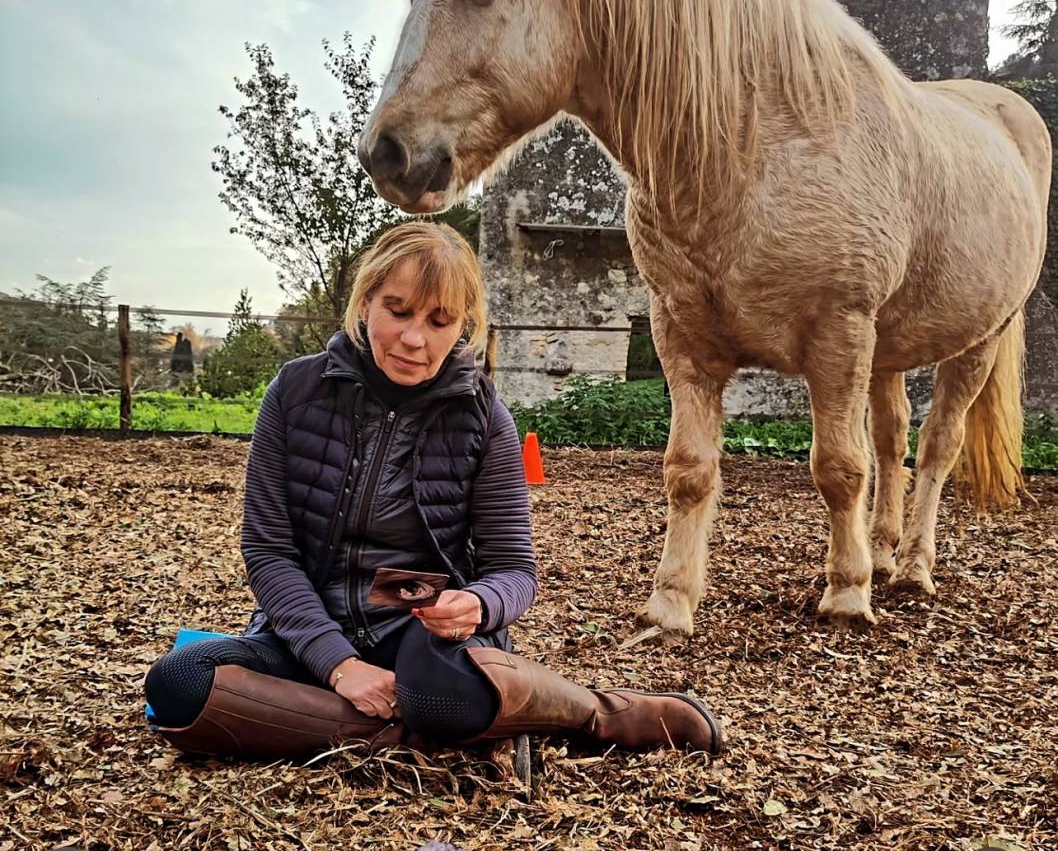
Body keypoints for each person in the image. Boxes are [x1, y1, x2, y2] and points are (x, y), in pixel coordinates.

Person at [144, 222, 723, 760]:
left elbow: (515, 570)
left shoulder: (483, 416)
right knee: (177, 683)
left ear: (463, 325)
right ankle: (427, 729)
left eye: (440, 321)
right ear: (365, 301)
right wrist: (339, 664)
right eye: (397, 311)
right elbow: (270, 551)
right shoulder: (295, 392)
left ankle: (597, 714)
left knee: (442, 691)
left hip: (423, 640)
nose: (414, 339)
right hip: (307, 631)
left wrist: (477, 604)